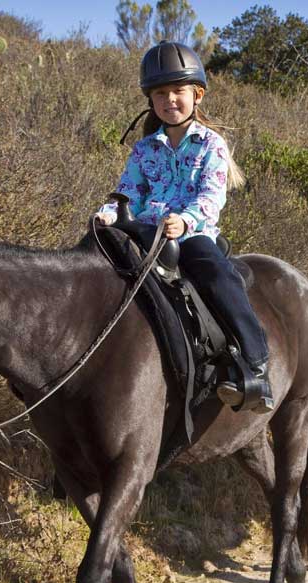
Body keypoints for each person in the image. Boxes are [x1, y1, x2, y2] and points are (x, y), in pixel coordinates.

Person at [94, 41, 274, 412]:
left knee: (214, 272)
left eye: (178, 91)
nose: (169, 100)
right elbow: (127, 193)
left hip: (191, 234)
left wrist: (185, 219)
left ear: (198, 95)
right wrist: (106, 215)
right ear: (151, 100)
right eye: (160, 93)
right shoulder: (144, 150)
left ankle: (255, 361)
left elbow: (212, 196)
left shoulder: (212, 144)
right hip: (143, 232)